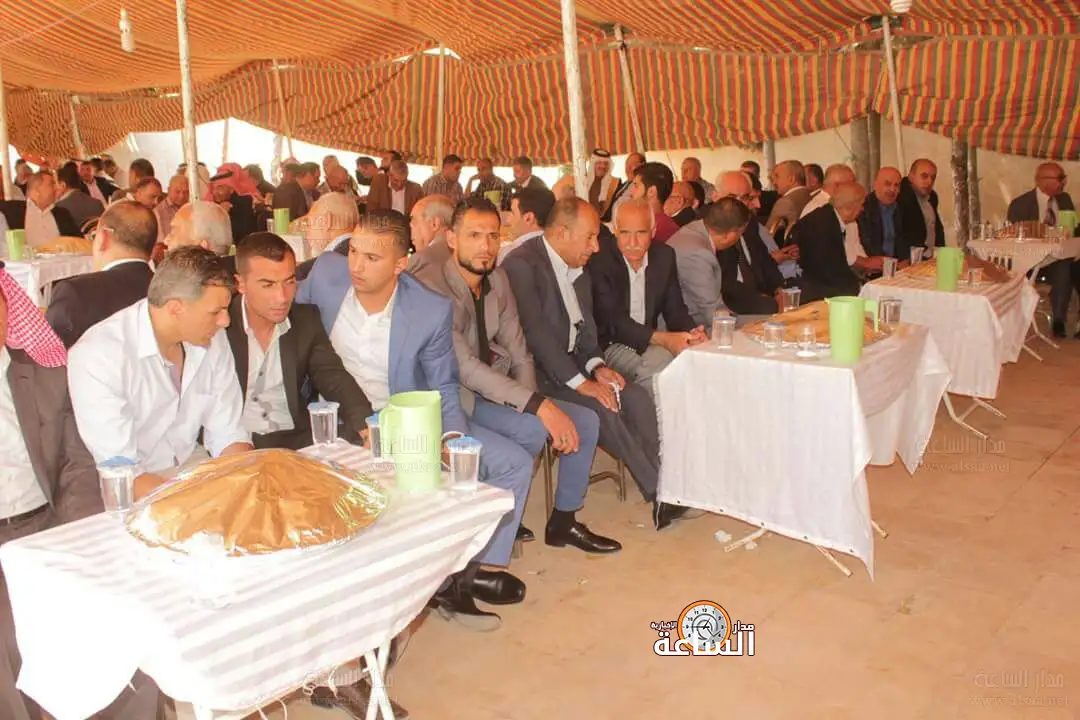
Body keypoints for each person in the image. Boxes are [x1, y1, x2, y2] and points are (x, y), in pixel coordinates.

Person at [297, 210, 534, 629]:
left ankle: (461, 577)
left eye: (372, 258)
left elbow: (443, 385)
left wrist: (451, 437)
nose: (357, 266)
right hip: (336, 417)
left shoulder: (428, 309)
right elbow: (283, 318)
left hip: (403, 421)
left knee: (494, 467)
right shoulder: (326, 277)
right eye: (354, 251)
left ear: (400, 264)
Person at [1, 264, 170, 720]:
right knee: (11, 640)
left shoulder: (43, 374)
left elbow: (77, 465)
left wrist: (75, 540)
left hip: (47, 525)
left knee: (128, 606)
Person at [413, 197, 620, 553]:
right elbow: (464, 366)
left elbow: (520, 350)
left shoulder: (497, 278)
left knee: (579, 422)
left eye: (493, 236)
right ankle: (492, 523)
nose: (485, 246)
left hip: (488, 391)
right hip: (447, 400)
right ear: (451, 239)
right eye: (474, 235)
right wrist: (538, 406)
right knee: (523, 447)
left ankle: (562, 521)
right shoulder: (433, 287)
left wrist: (531, 406)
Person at [502, 197, 690, 531]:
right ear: (562, 232)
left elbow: (586, 329)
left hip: (573, 363)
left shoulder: (577, 264)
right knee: (604, 407)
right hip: (537, 372)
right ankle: (659, 493)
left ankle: (671, 479)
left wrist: (598, 367)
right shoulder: (522, 264)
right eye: (590, 237)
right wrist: (582, 383)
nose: (596, 246)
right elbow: (536, 335)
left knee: (633, 396)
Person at [68, 247, 252, 474]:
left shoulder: (211, 335)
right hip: (134, 481)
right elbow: (122, 473)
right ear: (175, 309)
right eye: (216, 312)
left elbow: (228, 431)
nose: (225, 321)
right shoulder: (99, 356)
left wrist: (245, 479)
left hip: (192, 464)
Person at [225, 233, 372, 449]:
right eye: (268, 285)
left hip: (295, 439)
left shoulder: (304, 320)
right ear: (241, 284)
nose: (282, 297)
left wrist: (365, 426)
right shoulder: (221, 324)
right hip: (237, 443)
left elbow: (332, 376)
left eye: (289, 281)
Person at [587, 199, 703, 397]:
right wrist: (663, 339)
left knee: (693, 359)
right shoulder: (599, 258)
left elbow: (675, 309)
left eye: (641, 233)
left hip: (648, 340)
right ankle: (653, 414)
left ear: (653, 231)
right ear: (615, 230)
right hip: (609, 343)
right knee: (661, 363)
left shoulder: (664, 256)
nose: (632, 243)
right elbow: (613, 321)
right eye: (625, 233)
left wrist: (693, 333)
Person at [47, 201, 157, 348]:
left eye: (94, 236)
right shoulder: (166, 290)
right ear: (152, 249)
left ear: (103, 238)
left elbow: (49, 355)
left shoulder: (75, 292)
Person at [1007, 162, 1078, 338]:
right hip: (1029, 261)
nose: (1064, 182)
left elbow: (1073, 227)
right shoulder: (1020, 204)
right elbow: (1014, 236)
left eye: (1064, 178)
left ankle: (1059, 320)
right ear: (1042, 181)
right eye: (1060, 178)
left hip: (1057, 258)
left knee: (1065, 266)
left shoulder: (1065, 200)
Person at [791, 183, 865, 298]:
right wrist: (858, 286)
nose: (862, 209)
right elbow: (829, 270)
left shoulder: (828, 216)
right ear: (851, 206)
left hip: (821, 282)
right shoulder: (823, 225)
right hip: (816, 288)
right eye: (861, 204)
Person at [897, 158, 945, 255]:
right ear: (911, 176)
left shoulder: (932, 197)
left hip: (933, 256)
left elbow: (936, 229)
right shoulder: (901, 197)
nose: (929, 182)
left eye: (933, 178)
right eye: (924, 176)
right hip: (912, 258)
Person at [497, 187, 556, 264]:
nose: (508, 220)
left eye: (513, 213)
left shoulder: (509, 253)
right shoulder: (561, 249)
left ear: (529, 218)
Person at [859, 167, 904, 260]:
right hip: (874, 264)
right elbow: (868, 246)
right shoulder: (863, 209)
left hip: (897, 264)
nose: (892, 189)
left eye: (896, 185)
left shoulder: (900, 207)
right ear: (875, 185)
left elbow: (903, 241)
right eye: (887, 184)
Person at [630, 162, 680, 243]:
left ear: (651, 191)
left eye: (636, 186)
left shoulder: (658, 228)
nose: (631, 192)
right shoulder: (662, 224)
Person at [765, 160, 811, 239]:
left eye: (777, 176)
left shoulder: (785, 202)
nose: (774, 182)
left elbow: (767, 234)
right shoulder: (809, 195)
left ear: (791, 179)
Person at [54, 161, 105, 230]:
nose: (53, 187)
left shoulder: (58, 208)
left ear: (63, 185)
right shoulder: (97, 203)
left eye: (54, 183)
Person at [604, 152, 646, 223]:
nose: (628, 168)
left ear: (642, 165)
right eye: (627, 164)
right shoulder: (622, 184)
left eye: (633, 164)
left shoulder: (642, 186)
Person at [155, 175, 190, 244]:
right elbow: (161, 242)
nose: (181, 196)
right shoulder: (159, 212)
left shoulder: (191, 208)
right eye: (177, 192)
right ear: (169, 190)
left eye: (186, 192)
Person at [586, 149, 621, 217]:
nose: (603, 166)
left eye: (606, 163)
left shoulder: (615, 183)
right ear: (592, 164)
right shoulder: (583, 181)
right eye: (599, 163)